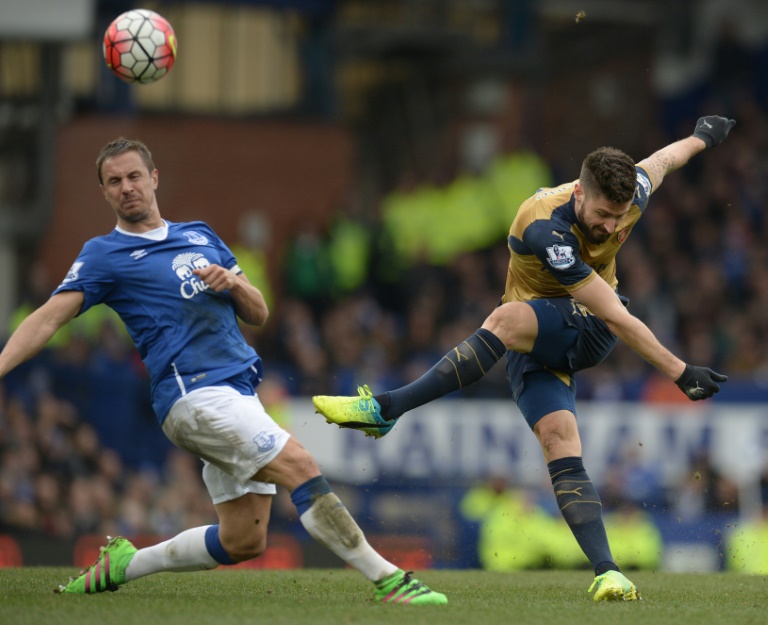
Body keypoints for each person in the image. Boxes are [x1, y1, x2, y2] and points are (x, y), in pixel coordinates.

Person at [0, 138, 446, 605]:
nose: (126, 187)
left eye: (134, 176)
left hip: (237, 392)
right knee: (301, 466)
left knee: (243, 540)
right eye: (114, 182)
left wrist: (233, 281)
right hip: (193, 394)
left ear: (154, 178)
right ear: (105, 194)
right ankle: (391, 581)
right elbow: (48, 317)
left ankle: (126, 564)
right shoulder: (104, 254)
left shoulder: (199, 235)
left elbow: (259, 312)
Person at [313, 115, 736, 601]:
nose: (610, 226)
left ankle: (386, 408)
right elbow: (615, 314)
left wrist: (703, 136)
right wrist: (681, 371)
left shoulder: (629, 192)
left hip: (587, 328)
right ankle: (608, 571)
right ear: (579, 192)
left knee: (507, 319)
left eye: (619, 217)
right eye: (602, 213)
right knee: (559, 439)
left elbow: (663, 161)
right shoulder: (544, 226)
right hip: (548, 336)